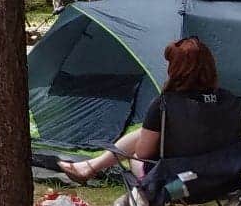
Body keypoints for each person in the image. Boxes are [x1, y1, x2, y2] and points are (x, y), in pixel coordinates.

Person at [57, 36, 221, 185]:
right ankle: (90, 166)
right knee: (144, 134)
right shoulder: (227, 101)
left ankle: (144, 201)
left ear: (177, 69)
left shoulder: (165, 105)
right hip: (218, 179)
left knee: (136, 156)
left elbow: (143, 152)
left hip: (177, 182)